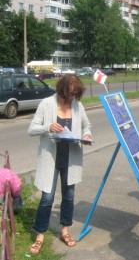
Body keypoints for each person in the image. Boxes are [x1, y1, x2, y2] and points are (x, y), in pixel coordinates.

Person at [28, 74, 92, 255]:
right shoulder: (46, 104)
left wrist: (86, 135)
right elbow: (31, 129)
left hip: (71, 158)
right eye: (70, 94)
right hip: (50, 158)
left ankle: (65, 229)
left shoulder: (77, 106)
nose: (72, 98)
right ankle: (40, 233)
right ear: (62, 89)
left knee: (69, 196)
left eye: (75, 95)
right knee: (47, 198)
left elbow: (87, 125)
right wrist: (48, 127)